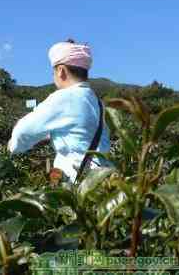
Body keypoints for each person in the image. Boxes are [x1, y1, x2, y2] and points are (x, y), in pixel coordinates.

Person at [8, 39, 112, 184]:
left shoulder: (64, 97)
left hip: (78, 183)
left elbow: (23, 131)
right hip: (105, 179)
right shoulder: (97, 101)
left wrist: (12, 147)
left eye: (53, 71)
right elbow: (80, 133)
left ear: (61, 71)